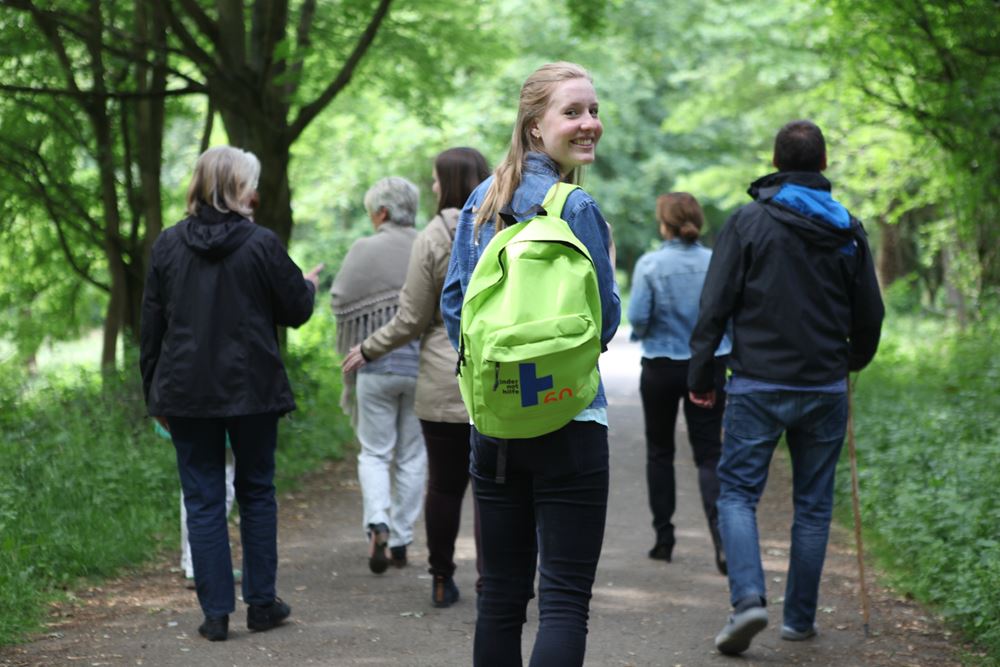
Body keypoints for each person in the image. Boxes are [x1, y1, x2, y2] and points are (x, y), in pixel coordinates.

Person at [441, 61, 620, 667]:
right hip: (571, 422)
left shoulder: (478, 202)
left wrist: (493, 376)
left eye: (593, 110)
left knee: (500, 601)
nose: (589, 123)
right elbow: (607, 320)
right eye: (573, 112)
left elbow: (454, 308)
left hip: (495, 426)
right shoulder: (576, 206)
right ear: (535, 127)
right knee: (565, 603)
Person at [686, 120, 884, 655]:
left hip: (757, 383)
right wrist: (852, 362)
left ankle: (748, 599)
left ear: (776, 163)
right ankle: (798, 620)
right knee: (814, 507)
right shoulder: (848, 227)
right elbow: (870, 313)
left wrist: (700, 376)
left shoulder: (748, 222)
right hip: (824, 386)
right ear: (822, 166)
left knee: (737, 495)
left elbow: (715, 305)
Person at [140, 146, 322, 642]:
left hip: (186, 392)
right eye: (251, 182)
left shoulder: (167, 245)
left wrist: (153, 393)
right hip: (253, 391)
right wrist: (308, 285)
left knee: (202, 499)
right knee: (256, 492)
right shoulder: (261, 244)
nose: (256, 191)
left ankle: (216, 614)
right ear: (236, 187)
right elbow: (296, 309)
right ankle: (261, 604)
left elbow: (151, 328)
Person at [342, 148, 490, 606]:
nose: (430, 187)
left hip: (445, 375)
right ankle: (496, 582)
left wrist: (366, 348)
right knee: (494, 488)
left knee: (445, 485)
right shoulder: (508, 224)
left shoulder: (433, 235)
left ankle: (442, 580)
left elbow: (410, 319)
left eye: (434, 180)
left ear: (447, 182)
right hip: (499, 374)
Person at [627, 192, 731, 574]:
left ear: (664, 224)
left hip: (661, 366)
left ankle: (664, 540)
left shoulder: (651, 264)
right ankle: (722, 541)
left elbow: (637, 316)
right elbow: (731, 313)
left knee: (660, 451)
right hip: (711, 365)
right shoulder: (717, 262)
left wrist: (648, 333)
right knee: (709, 453)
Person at [331, 176, 427, 575]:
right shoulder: (428, 244)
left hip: (373, 363)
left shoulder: (364, 250)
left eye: (372, 212)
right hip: (422, 366)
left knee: (374, 452)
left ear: (382, 212)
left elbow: (339, 302)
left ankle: (378, 523)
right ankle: (403, 538)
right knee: (411, 455)